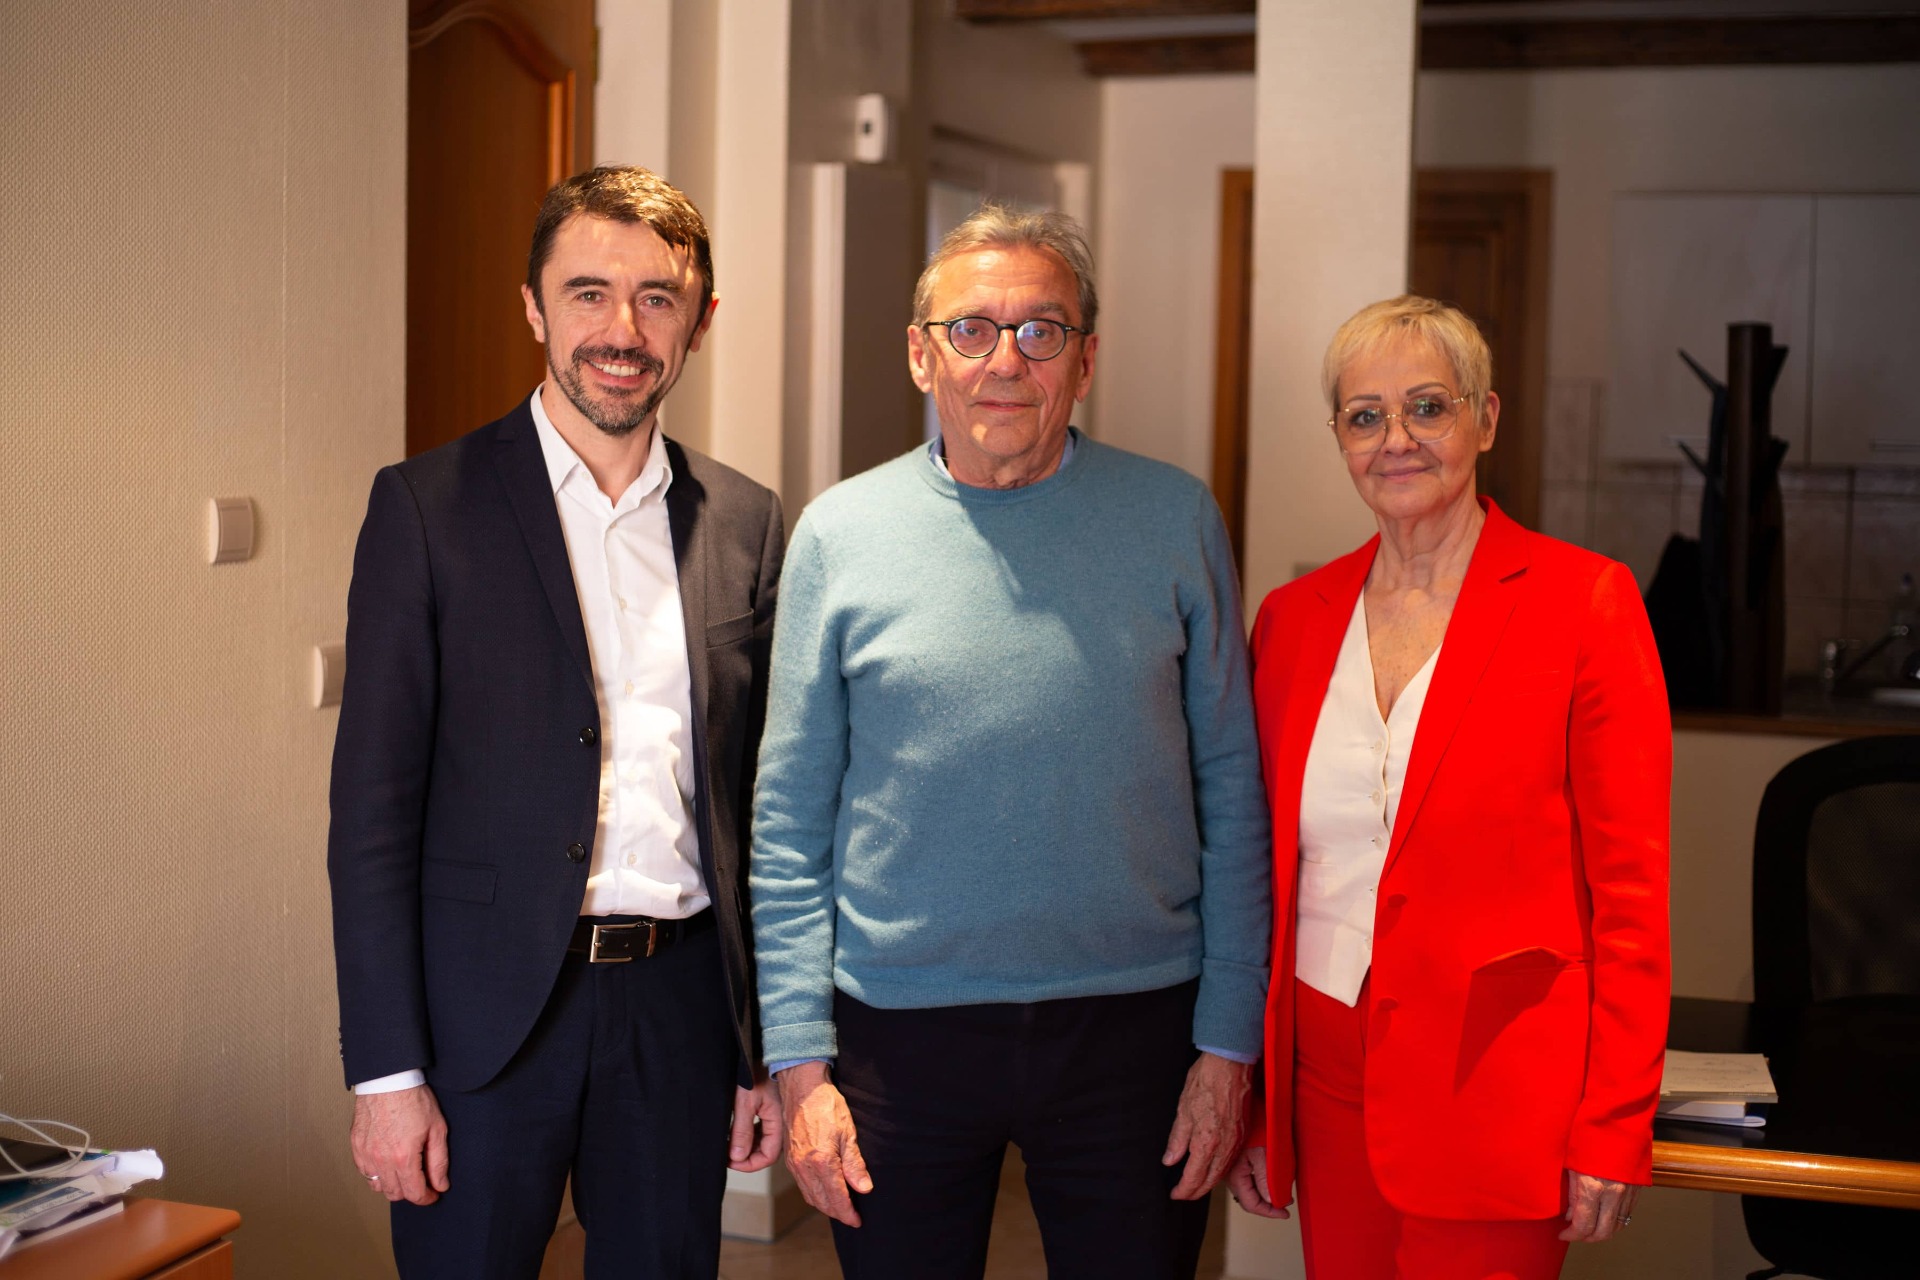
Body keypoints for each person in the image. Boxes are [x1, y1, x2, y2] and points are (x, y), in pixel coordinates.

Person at [749, 204, 1272, 1280]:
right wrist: (799, 1061)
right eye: (971, 329)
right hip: (897, 1031)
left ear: (1086, 359)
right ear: (920, 354)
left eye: (1041, 330)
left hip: (1136, 1026)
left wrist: (1228, 1043)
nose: (1005, 361)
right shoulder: (839, 535)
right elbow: (788, 821)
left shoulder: (1176, 520)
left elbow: (1233, 792)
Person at [327, 165, 786, 1280]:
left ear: (700, 320)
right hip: (481, 1025)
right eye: (588, 293)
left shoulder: (748, 521)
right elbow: (372, 815)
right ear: (533, 307)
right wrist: (387, 1074)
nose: (621, 330)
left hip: (678, 1011)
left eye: (656, 298)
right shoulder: (425, 508)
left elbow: (758, 811)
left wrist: (760, 1048)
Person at [1225, 295, 1671, 1279]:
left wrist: (1615, 1119)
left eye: (1428, 407)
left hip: (1497, 1083)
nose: (1397, 439)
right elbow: (1261, 875)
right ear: (1340, 436)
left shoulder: (1584, 604)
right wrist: (1256, 1100)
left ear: (1485, 418)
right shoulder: (1292, 619)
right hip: (1323, 1077)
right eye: (1365, 415)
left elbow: (1632, 897)